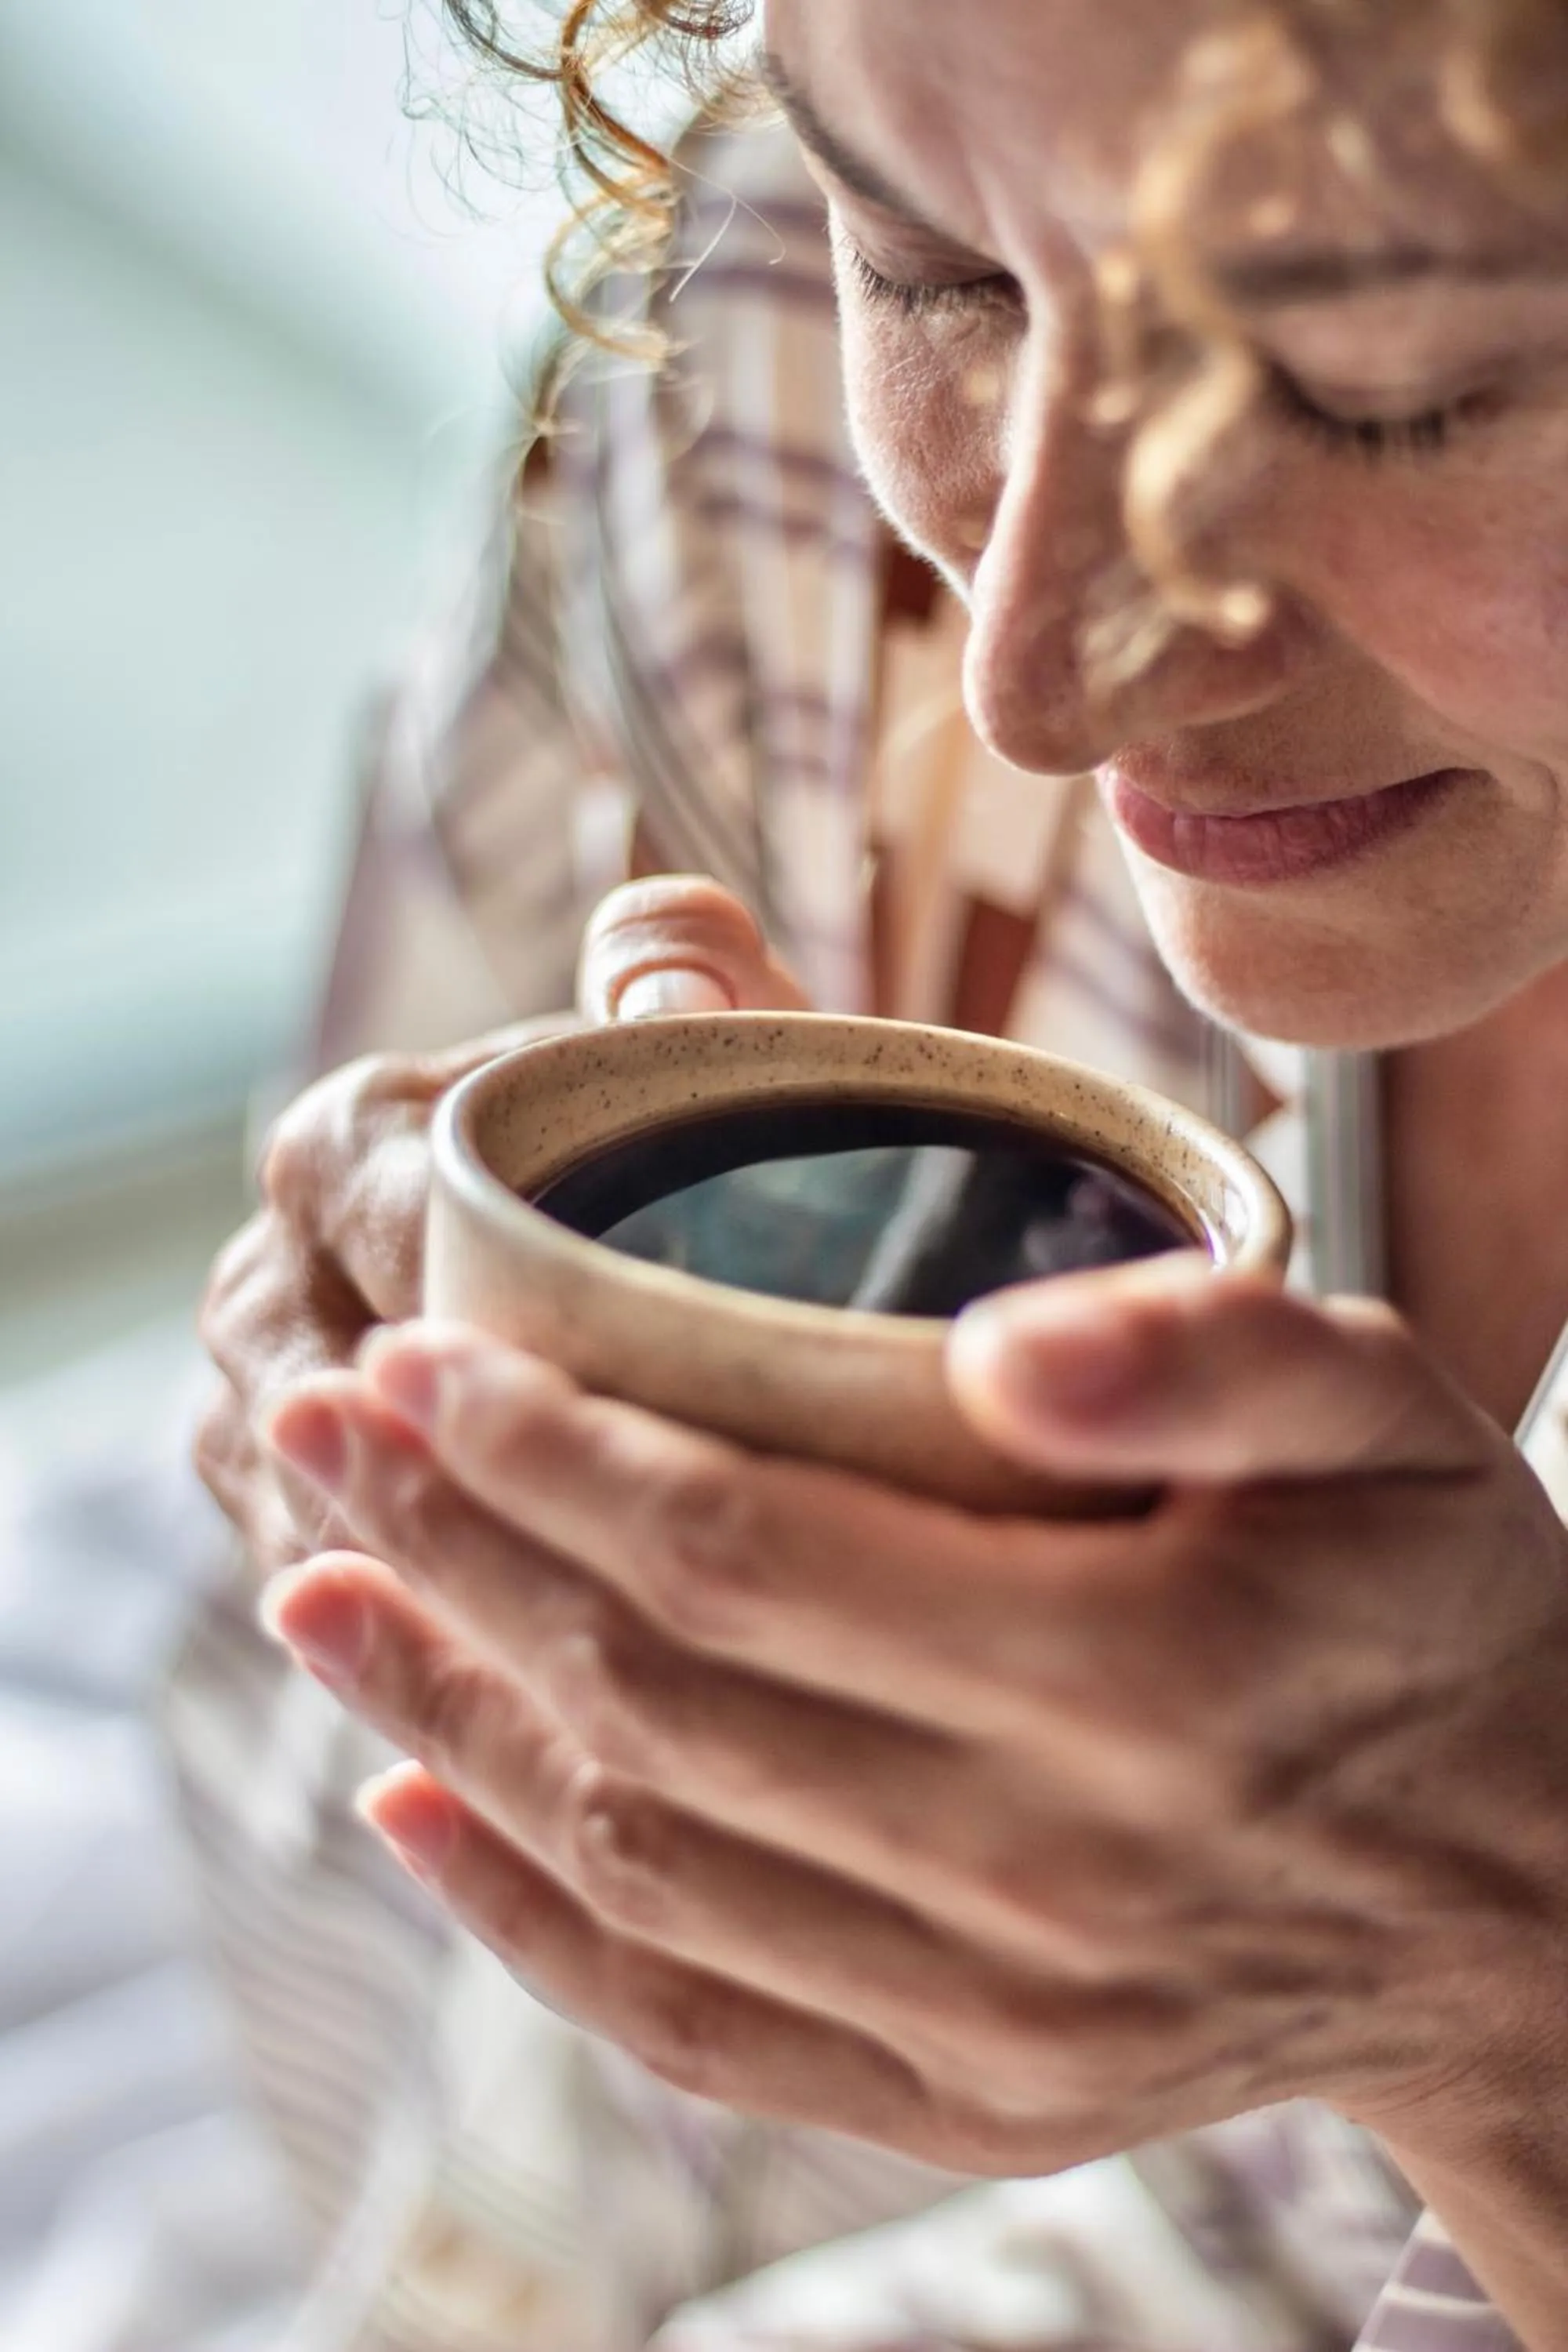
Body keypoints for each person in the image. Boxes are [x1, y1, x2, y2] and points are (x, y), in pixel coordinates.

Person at [195, 5, 1568, 2342]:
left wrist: (1508, 2007)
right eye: (943, 276)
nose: (1035, 678)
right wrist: (363, 1386)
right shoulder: (726, 363)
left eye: (1385, 384)